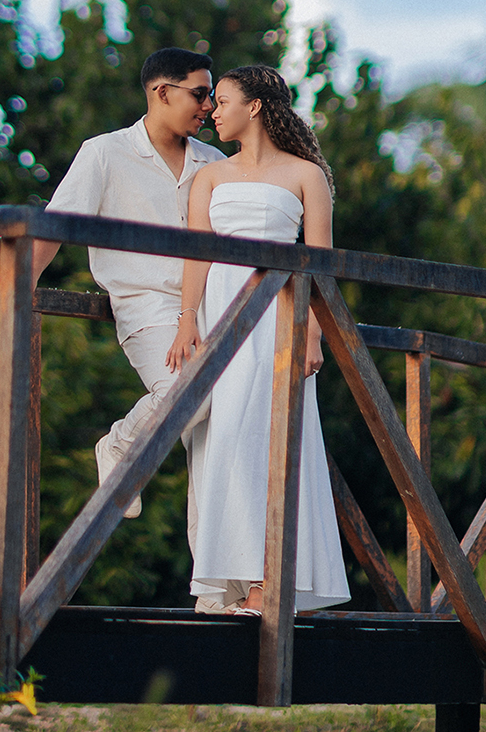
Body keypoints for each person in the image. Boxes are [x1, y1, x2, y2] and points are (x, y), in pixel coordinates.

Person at [31, 46, 231, 608]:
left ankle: (215, 592)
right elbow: (59, 221)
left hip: (211, 308)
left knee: (217, 440)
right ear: (160, 92)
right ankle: (121, 443)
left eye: (211, 93)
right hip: (145, 306)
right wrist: (22, 279)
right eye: (199, 93)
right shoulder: (104, 153)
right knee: (192, 397)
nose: (208, 104)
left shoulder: (212, 161)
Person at [166, 63, 350, 617]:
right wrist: (185, 319)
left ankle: (272, 585)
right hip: (225, 319)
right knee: (230, 441)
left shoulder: (305, 176)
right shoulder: (211, 178)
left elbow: (320, 266)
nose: (211, 111)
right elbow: (197, 251)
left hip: (279, 321)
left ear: (255, 108)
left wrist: (313, 334)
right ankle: (244, 581)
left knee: (276, 442)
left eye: (221, 101)